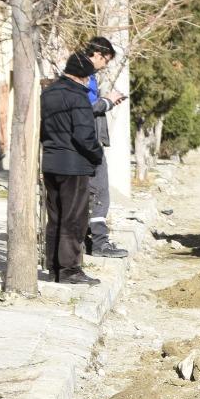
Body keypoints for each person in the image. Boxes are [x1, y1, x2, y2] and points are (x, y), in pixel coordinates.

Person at [40, 52, 104, 286]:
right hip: (74, 166)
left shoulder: (47, 94)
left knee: (55, 217)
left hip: (51, 162)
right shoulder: (78, 97)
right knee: (74, 219)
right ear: (84, 77)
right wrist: (97, 155)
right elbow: (84, 135)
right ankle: (70, 269)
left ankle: (54, 268)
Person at [83, 36, 128, 259]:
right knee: (100, 192)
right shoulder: (81, 75)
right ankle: (100, 243)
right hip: (87, 144)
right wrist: (108, 101)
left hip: (88, 142)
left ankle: (87, 240)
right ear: (98, 55)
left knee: (91, 193)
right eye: (106, 60)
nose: (105, 66)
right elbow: (85, 108)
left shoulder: (85, 75)